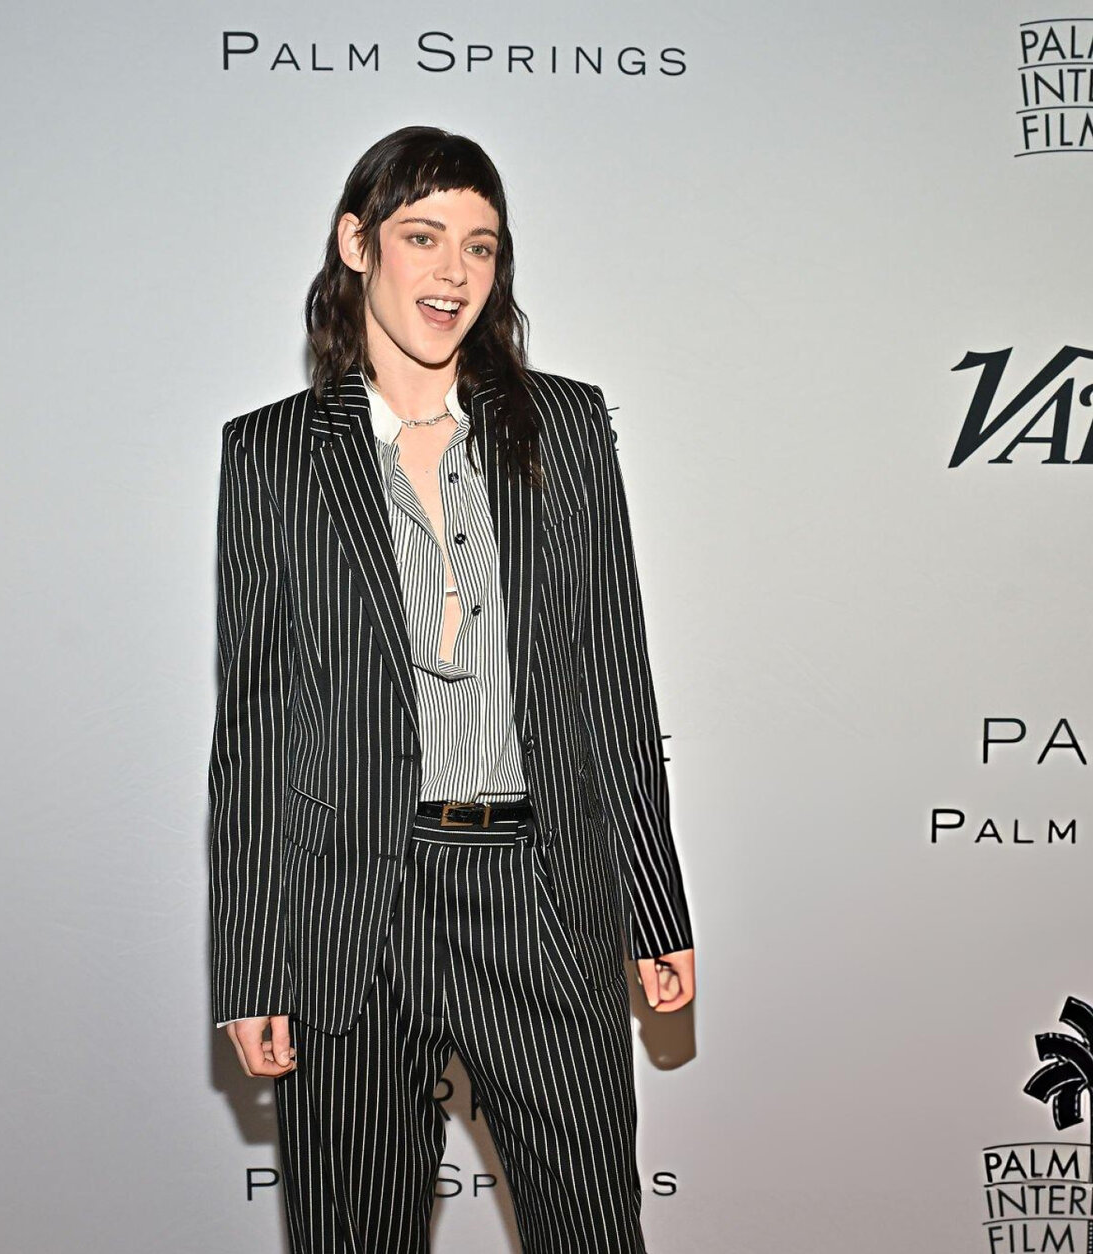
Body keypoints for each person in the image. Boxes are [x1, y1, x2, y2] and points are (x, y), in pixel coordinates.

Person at [209, 124, 695, 1254]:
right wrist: (252, 961)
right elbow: (258, 725)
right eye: (422, 237)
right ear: (357, 244)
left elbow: (614, 676)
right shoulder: (271, 454)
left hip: (540, 893)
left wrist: (654, 903)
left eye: (480, 246)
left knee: (592, 1232)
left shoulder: (565, 427)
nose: (453, 272)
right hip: (353, 916)